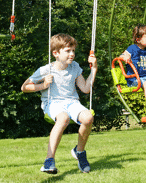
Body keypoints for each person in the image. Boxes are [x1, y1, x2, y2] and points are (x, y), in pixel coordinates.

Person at [21, 33, 98, 174]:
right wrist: (43, 85)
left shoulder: (74, 67)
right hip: (53, 103)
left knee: (88, 117)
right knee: (63, 118)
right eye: (68, 51)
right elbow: (24, 87)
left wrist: (94, 69)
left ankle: (79, 152)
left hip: (71, 102)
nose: (72, 54)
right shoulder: (46, 70)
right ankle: (49, 160)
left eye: (73, 50)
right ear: (55, 53)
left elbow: (85, 89)